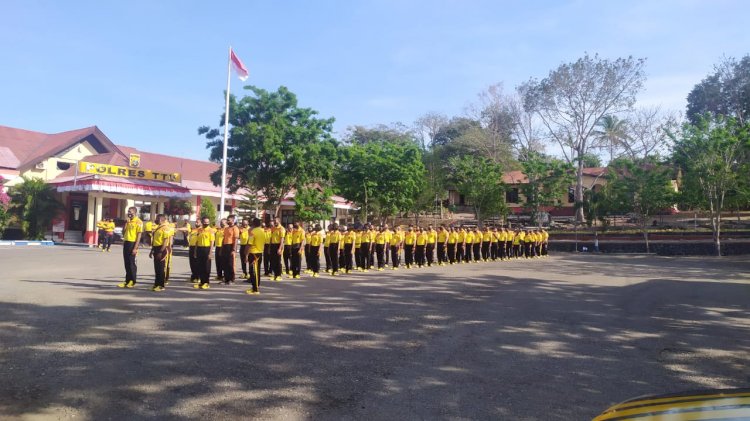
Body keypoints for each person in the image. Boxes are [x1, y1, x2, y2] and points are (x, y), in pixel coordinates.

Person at [117, 207, 143, 288]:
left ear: (135, 212)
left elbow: (139, 236)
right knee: (127, 263)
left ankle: (132, 280)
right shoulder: (128, 221)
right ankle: (127, 280)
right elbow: (123, 232)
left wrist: (135, 248)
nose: (129, 213)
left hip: (133, 243)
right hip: (126, 242)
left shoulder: (138, 222)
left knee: (132, 263)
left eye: (130, 212)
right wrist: (125, 224)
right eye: (128, 212)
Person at [245, 218, 266, 295]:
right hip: (259, 252)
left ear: (253, 224)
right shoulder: (262, 231)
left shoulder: (253, 232)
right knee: (257, 271)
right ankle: (255, 286)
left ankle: (255, 289)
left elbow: (249, 244)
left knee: (253, 272)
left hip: (253, 253)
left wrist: (246, 255)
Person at [148, 214, 169, 292]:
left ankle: (161, 285)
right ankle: (156, 284)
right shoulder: (158, 228)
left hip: (161, 249)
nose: (155, 220)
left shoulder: (165, 228)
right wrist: (152, 250)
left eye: (157, 218)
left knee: (160, 268)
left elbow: (165, 241)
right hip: (156, 248)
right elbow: (154, 241)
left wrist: (161, 251)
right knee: (156, 268)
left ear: (160, 219)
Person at [193, 217, 214, 289]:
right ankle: (201, 282)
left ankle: (206, 282)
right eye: (204, 222)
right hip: (199, 249)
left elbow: (212, 242)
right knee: (200, 266)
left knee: (206, 267)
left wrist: (210, 253)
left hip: (206, 249)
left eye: (207, 222)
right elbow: (197, 241)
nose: (206, 223)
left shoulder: (210, 230)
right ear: (202, 222)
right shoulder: (199, 230)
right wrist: (195, 251)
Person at [222, 215, 240, 284]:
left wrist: (233, 249)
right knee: (225, 263)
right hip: (225, 246)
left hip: (231, 246)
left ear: (233, 220)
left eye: (229, 220)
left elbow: (235, 239)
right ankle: (226, 279)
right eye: (227, 220)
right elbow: (224, 238)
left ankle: (231, 279)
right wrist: (222, 248)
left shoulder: (235, 228)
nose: (227, 221)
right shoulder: (226, 228)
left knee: (230, 264)